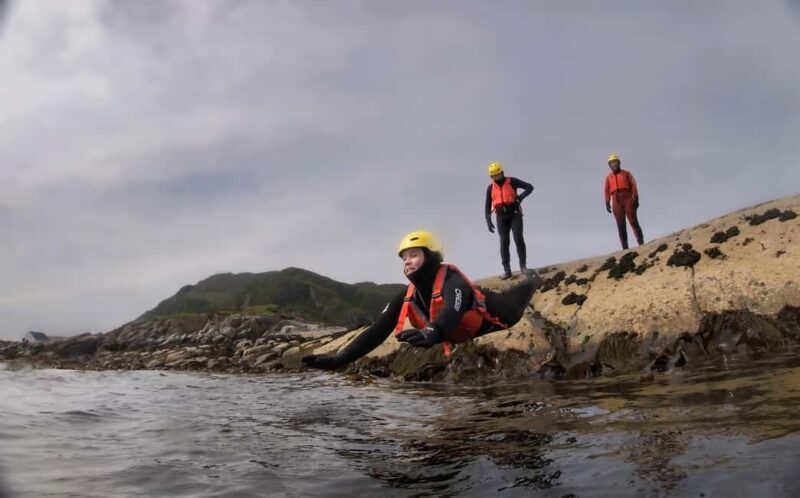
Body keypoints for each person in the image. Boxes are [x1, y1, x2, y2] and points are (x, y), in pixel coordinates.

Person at [302, 230, 541, 371]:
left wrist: (434, 330)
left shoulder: (452, 282)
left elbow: (452, 310)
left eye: (414, 254)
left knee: (523, 290)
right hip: (462, 329)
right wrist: (339, 359)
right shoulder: (406, 297)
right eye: (404, 257)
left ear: (432, 257)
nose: (407, 261)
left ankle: (533, 278)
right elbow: (377, 331)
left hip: (501, 314)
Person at [484, 162, 534, 279]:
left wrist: (520, 197)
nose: (497, 177)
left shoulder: (511, 181)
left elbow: (529, 187)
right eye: (494, 176)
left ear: (502, 173)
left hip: (514, 214)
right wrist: (488, 220)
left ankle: (523, 267)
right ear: (491, 177)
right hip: (501, 217)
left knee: (518, 238)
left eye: (498, 174)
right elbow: (487, 205)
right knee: (504, 241)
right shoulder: (490, 188)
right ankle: (507, 270)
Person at [604, 153, 645, 250]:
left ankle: (640, 242)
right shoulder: (608, 178)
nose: (614, 165)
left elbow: (633, 185)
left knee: (633, 221)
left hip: (627, 198)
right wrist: (607, 202)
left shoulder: (626, 173)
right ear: (609, 165)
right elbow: (606, 190)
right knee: (621, 225)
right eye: (611, 163)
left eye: (615, 162)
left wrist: (635, 197)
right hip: (616, 200)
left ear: (619, 163)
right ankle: (625, 248)